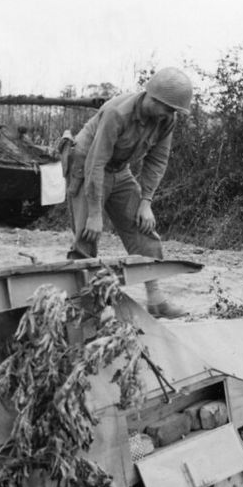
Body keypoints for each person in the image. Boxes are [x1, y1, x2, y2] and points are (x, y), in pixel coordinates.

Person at [65, 66, 192, 319]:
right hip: (85, 165)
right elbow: (95, 163)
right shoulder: (117, 113)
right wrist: (94, 213)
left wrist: (146, 202)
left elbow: (157, 160)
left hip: (119, 170)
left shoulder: (166, 119)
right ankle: (81, 306)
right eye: (167, 108)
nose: (169, 115)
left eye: (173, 111)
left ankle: (155, 300)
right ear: (152, 97)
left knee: (143, 229)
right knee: (86, 235)